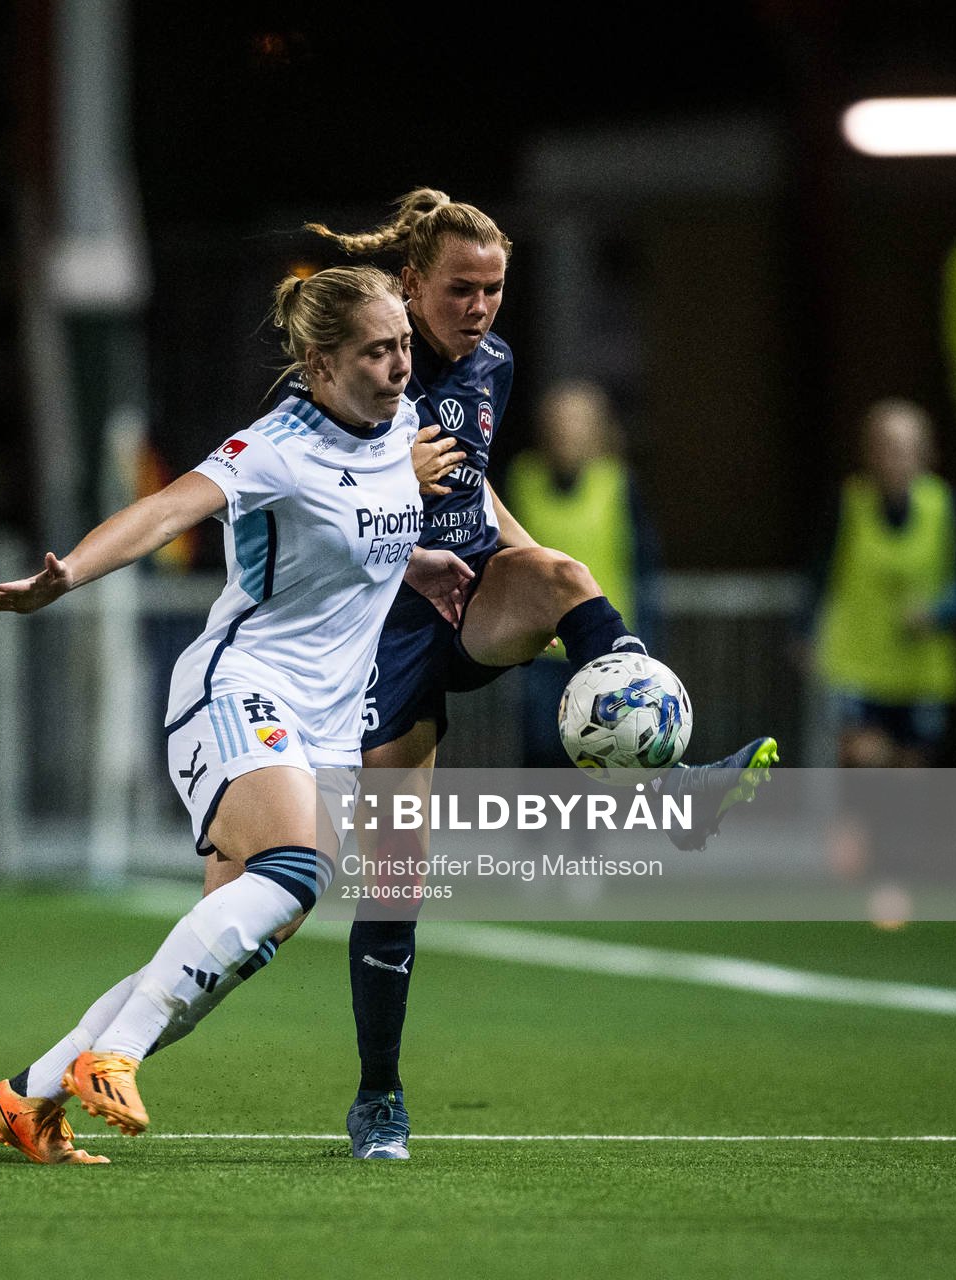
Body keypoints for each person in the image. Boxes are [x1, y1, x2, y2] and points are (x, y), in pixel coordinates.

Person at [308, 189, 778, 1160]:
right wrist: (395, 483)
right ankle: (377, 1096)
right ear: (408, 283)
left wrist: (551, 594)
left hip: (470, 593)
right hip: (378, 630)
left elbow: (472, 481)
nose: (478, 307)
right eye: (458, 289)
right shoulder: (358, 366)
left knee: (568, 572)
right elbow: (304, 508)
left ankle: (669, 781)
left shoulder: (492, 364)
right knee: (395, 874)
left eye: (492, 289)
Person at [0, 266, 465, 1162]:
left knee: (220, 959)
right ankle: (112, 1057)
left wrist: (415, 563)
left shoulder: (395, 428)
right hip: (241, 688)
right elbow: (165, 511)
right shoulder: (276, 446)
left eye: (402, 346)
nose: (400, 366)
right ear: (319, 363)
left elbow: (363, 531)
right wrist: (65, 580)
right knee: (298, 865)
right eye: (377, 351)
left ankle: (31, 1093)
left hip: (330, 724)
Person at [505, 380, 664, 768]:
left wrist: (647, 643)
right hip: (541, 648)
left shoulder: (616, 484)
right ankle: (536, 828)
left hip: (603, 651)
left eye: (577, 423)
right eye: (560, 422)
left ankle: (585, 831)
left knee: (597, 756)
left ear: (596, 429)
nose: (567, 432)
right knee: (541, 752)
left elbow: (644, 567)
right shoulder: (523, 479)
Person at [812, 399, 956, 768]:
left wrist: (939, 611)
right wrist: (806, 631)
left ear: (925, 453)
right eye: (885, 446)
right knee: (863, 760)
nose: (895, 458)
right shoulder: (849, 503)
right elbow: (820, 572)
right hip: (858, 661)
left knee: (910, 772)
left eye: (905, 448)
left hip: (921, 670)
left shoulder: (946, 506)